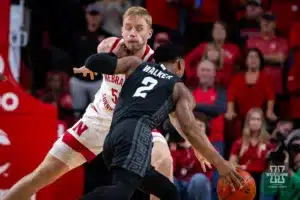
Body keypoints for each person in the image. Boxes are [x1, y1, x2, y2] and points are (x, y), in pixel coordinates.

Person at [2, 7, 173, 200]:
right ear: (122, 30)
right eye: (128, 27)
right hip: (98, 121)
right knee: (42, 175)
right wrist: (112, 57)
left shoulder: (157, 66)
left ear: (149, 33)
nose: (133, 33)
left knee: (164, 161)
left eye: (139, 28)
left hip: (133, 126)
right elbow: (100, 51)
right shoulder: (111, 44)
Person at [75, 43, 244, 199]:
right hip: (136, 135)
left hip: (112, 138)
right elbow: (191, 128)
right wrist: (220, 163)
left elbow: (93, 62)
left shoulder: (136, 64)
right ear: (180, 64)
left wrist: (113, 54)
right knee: (122, 190)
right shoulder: (179, 88)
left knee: (168, 192)